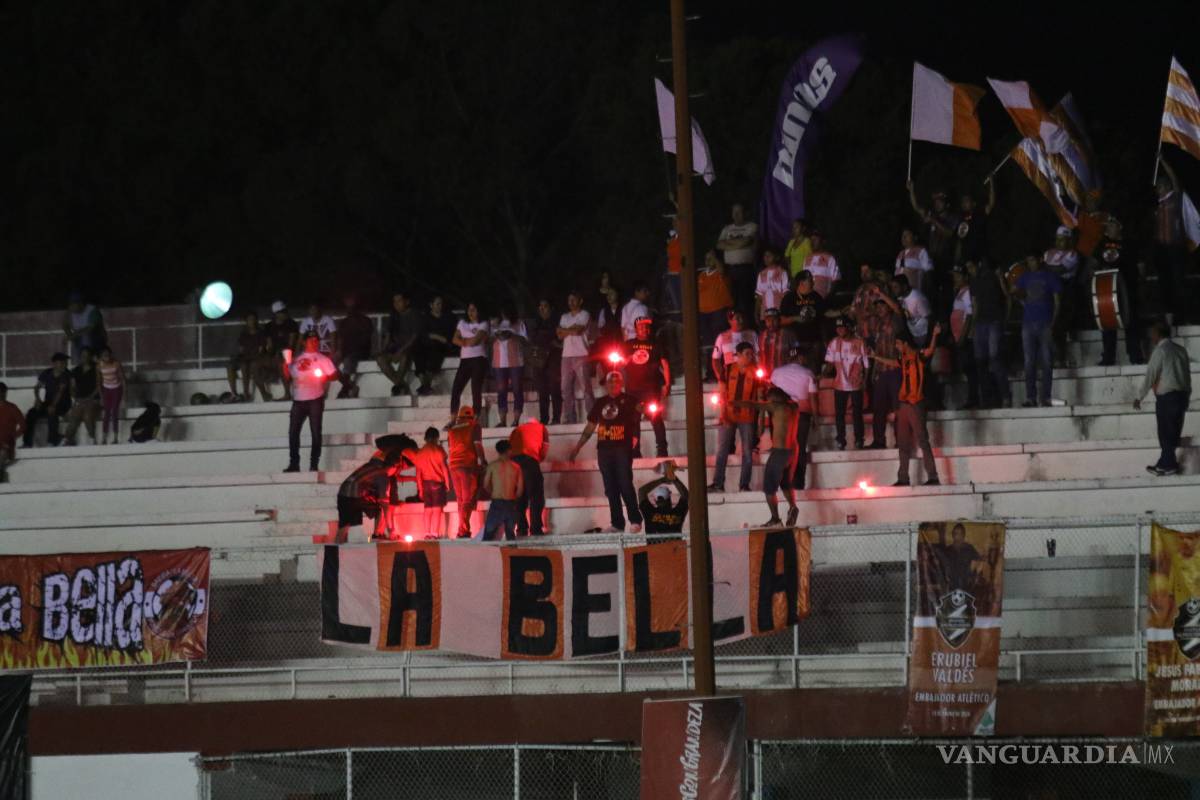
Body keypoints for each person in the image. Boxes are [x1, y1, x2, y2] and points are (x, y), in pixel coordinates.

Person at [569, 371, 644, 533]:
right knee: (610, 488)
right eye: (610, 382)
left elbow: (640, 416)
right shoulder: (600, 403)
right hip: (604, 450)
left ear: (622, 383)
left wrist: (637, 436)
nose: (613, 385)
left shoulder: (630, 400)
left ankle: (635, 519)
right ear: (606, 385)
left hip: (622, 449)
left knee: (625, 483)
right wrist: (577, 447)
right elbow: (590, 427)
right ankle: (617, 523)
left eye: (617, 382)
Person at [872, 325, 943, 487]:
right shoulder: (903, 359)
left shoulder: (918, 356)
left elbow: (931, 350)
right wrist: (876, 357)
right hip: (903, 405)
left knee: (922, 441)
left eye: (897, 343)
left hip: (915, 403)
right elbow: (892, 362)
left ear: (904, 343)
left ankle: (933, 476)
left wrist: (934, 334)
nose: (896, 346)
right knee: (903, 443)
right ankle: (903, 478)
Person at [1134, 320, 1192, 476]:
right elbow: (1187, 375)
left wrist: (1139, 396)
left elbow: (1151, 374)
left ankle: (1168, 465)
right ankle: (1164, 463)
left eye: (1152, 333)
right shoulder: (1181, 350)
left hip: (1167, 397)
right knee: (1173, 431)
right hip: (1181, 395)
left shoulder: (1160, 351)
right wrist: (1187, 395)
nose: (1151, 335)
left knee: (1165, 433)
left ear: (1157, 334)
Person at [739, 388, 800, 528]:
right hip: (793, 451)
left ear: (775, 398)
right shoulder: (794, 407)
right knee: (786, 483)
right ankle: (793, 507)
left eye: (770, 398)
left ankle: (775, 518)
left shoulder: (776, 406)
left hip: (780, 452)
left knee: (769, 489)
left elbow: (753, 405)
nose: (769, 401)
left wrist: (731, 402)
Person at [282, 332, 338, 472]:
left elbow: (334, 374)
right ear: (304, 342)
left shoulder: (322, 359)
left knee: (315, 433)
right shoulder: (297, 359)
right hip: (298, 400)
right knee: (293, 433)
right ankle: (294, 463)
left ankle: (314, 464)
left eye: (316, 340)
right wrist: (286, 363)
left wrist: (324, 377)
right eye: (311, 340)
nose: (314, 342)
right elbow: (288, 375)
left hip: (315, 399)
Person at [709, 342, 761, 492]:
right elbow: (723, 393)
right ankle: (718, 483)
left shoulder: (756, 372)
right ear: (737, 355)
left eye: (751, 354)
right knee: (722, 450)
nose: (750, 357)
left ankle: (744, 485)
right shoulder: (728, 369)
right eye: (747, 354)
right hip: (729, 415)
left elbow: (759, 397)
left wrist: (759, 420)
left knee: (747, 453)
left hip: (747, 417)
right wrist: (723, 414)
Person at [1013, 253, 1062, 407]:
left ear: (1040, 260)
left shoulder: (1050, 277)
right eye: (1028, 261)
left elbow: (1057, 301)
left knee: (1047, 361)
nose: (1031, 263)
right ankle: (1031, 397)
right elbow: (1013, 291)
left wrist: (1053, 322)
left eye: (1032, 260)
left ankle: (1046, 396)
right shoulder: (1025, 277)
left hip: (1044, 322)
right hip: (1028, 323)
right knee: (1029, 362)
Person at [1095, 217, 1145, 367]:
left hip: (1128, 288)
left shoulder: (1131, 243)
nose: (1108, 228)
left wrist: (1141, 283)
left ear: (1119, 226)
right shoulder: (1101, 244)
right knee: (1108, 322)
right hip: (1108, 290)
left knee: (1131, 322)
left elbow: (1141, 266)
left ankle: (1135, 356)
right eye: (1107, 226)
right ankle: (1108, 357)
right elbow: (1093, 263)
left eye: (1111, 225)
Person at [331, 446, 407, 543]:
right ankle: (378, 534)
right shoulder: (383, 475)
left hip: (344, 492)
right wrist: (391, 530)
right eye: (397, 469)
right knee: (380, 508)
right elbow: (385, 505)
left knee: (345, 526)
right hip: (354, 495)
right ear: (393, 466)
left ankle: (338, 548)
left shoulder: (375, 465)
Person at [769, 349, 819, 491]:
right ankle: (798, 483)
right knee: (799, 449)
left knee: (780, 449)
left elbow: (770, 394)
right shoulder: (808, 373)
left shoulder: (776, 373)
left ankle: (780, 482)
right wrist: (816, 417)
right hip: (801, 414)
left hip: (780, 415)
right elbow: (813, 398)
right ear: (800, 357)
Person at [622, 317, 670, 458]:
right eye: (641, 326)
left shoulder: (656, 344)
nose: (645, 329)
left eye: (647, 326)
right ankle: (635, 450)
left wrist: (667, 384)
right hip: (633, 388)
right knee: (634, 420)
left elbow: (665, 364)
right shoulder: (629, 344)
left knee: (655, 417)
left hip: (652, 388)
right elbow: (621, 363)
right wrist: (629, 358)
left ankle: (662, 450)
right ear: (636, 328)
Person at [967, 260, 1012, 408]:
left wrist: (1005, 319)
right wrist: (973, 327)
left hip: (994, 321)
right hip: (980, 323)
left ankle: (1005, 395)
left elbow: (1007, 296)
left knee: (994, 358)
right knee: (980, 362)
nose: (971, 270)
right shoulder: (973, 281)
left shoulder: (993, 277)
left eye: (972, 266)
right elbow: (975, 305)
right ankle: (987, 398)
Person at [1152, 156, 1191, 325]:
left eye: (1160, 186)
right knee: (1164, 284)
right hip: (1161, 250)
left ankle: (1183, 316)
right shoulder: (1157, 205)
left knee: (1178, 282)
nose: (1157, 190)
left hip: (1175, 247)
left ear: (1165, 187)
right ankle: (1168, 317)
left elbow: (1176, 181)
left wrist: (1164, 162)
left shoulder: (1175, 198)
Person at [864, 292, 905, 449]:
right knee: (878, 409)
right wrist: (874, 372)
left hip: (895, 370)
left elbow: (897, 309)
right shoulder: (878, 325)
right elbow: (876, 352)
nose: (880, 309)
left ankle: (900, 441)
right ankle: (879, 440)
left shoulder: (896, 321)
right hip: (881, 371)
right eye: (878, 306)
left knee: (897, 409)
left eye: (882, 306)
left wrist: (882, 293)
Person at [825, 317, 869, 450]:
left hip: (856, 384)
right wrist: (821, 375)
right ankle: (841, 440)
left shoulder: (860, 342)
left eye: (842, 327)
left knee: (857, 413)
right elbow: (830, 364)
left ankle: (859, 440)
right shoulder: (834, 343)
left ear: (849, 327)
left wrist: (865, 382)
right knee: (839, 413)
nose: (840, 330)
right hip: (840, 384)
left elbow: (866, 364)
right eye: (838, 328)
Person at [447, 405, 486, 538]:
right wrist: (483, 460)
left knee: (460, 499)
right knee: (467, 499)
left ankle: (462, 528)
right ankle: (463, 530)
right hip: (467, 465)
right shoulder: (474, 426)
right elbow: (477, 445)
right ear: (471, 416)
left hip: (453, 466)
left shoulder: (452, 429)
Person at [449, 302, 491, 422]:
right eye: (469, 310)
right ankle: (453, 419)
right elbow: (454, 339)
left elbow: (475, 341)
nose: (471, 313)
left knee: (476, 389)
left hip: (479, 359)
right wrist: (465, 342)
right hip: (465, 360)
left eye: (474, 310)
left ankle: (476, 417)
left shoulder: (483, 323)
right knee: (456, 388)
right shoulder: (462, 323)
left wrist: (464, 341)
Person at [716, 203, 759, 319]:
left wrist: (728, 244)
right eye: (734, 212)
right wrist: (738, 244)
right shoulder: (727, 229)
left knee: (745, 301)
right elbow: (719, 244)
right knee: (731, 301)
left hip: (745, 269)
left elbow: (746, 242)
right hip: (729, 269)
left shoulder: (751, 226)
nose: (736, 215)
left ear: (745, 213)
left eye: (739, 212)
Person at [408, 427, 451, 537]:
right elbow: (444, 468)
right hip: (437, 483)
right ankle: (434, 533)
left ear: (425, 438)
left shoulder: (420, 453)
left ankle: (427, 533)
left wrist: (420, 489)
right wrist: (447, 483)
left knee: (427, 510)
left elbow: (418, 474)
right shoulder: (439, 450)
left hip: (425, 484)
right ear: (437, 437)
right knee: (437, 510)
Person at [1043, 226, 1082, 351]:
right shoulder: (1048, 253)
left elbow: (1060, 270)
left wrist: (1047, 268)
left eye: (1063, 239)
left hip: (1066, 287)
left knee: (1063, 318)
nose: (1059, 242)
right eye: (1058, 239)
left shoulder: (1073, 254)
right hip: (1050, 288)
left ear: (1069, 240)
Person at [377, 291, 422, 398]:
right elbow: (388, 335)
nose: (397, 304)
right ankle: (400, 384)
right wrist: (383, 350)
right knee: (380, 359)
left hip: (409, 348)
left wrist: (401, 351)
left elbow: (414, 337)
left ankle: (398, 386)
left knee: (405, 357)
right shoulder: (393, 316)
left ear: (407, 302)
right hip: (395, 348)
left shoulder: (414, 314)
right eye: (394, 301)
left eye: (399, 301)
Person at [510, 417, 550, 536]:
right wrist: (538, 459)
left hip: (513, 463)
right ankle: (535, 528)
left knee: (519, 497)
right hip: (530, 461)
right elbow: (544, 449)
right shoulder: (541, 428)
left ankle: (521, 528)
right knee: (536, 496)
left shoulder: (516, 429)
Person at [558, 291, 593, 424]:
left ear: (580, 301)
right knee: (565, 388)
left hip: (581, 354)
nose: (571, 302)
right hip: (566, 355)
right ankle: (570, 418)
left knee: (586, 388)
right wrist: (570, 330)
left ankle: (592, 417)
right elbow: (559, 335)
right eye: (569, 300)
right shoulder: (564, 316)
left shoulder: (585, 314)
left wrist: (565, 330)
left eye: (573, 300)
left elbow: (578, 331)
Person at [907, 182, 959, 271]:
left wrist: (933, 221)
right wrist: (911, 190)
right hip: (931, 258)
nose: (937, 204)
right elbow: (916, 207)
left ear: (947, 204)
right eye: (935, 202)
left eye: (940, 202)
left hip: (947, 259)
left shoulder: (952, 218)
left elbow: (950, 233)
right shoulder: (932, 215)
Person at [698, 251, 735, 374]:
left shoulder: (721, 273)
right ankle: (710, 371)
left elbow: (722, 270)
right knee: (709, 344)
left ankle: (723, 369)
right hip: (704, 313)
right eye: (706, 258)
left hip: (719, 311)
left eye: (711, 258)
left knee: (719, 342)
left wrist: (716, 260)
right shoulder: (702, 275)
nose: (708, 261)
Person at [948, 267, 980, 409]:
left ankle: (974, 399)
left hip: (965, 337)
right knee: (967, 369)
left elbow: (969, 315)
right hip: (959, 336)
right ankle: (972, 398)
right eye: (954, 276)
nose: (955, 278)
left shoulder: (967, 292)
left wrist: (963, 336)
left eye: (958, 276)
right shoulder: (959, 292)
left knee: (971, 369)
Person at [491, 307, 528, 428]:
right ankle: (502, 421)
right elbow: (487, 340)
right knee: (501, 392)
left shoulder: (519, 323)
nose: (504, 312)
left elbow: (525, 341)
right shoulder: (495, 323)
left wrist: (512, 335)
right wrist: (497, 334)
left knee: (517, 390)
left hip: (516, 362)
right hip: (499, 362)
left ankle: (516, 420)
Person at [414, 295, 458, 396]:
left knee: (435, 352)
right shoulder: (425, 318)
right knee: (417, 350)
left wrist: (439, 338)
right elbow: (423, 334)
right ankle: (425, 384)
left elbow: (449, 336)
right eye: (437, 304)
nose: (440, 306)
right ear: (431, 305)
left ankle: (425, 386)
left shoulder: (448, 317)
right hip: (427, 345)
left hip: (442, 346)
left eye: (441, 304)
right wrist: (435, 336)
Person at [480, 440, 524, 542]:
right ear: (509, 450)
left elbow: (485, 485)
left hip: (497, 502)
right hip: (510, 502)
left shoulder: (492, 466)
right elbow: (520, 491)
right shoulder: (516, 467)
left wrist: (493, 493)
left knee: (488, 535)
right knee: (510, 535)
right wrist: (514, 498)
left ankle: (485, 556)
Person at [528, 299, 563, 425]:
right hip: (539, 359)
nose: (542, 309)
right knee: (542, 390)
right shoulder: (535, 323)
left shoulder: (557, 322)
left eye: (545, 306)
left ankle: (556, 417)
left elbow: (559, 339)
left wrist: (551, 341)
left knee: (555, 388)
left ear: (550, 308)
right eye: (540, 306)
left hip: (554, 358)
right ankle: (544, 419)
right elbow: (532, 338)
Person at [335, 295, 374, 399]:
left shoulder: (365, 321)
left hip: (360, 352)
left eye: (352, 306)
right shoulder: (344, 322)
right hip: (346, 352)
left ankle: (344, 390)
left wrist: (352, 350)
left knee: (348, 361)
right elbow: (340, 339)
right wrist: (338, 351)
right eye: (347, 307)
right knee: (329, 364)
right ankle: (350, 386)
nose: (350, 309)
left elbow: (366, 340)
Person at [227, 312, 272, 402]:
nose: (252, 321)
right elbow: (241, 349)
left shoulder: (261, 333)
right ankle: (234, 393)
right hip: (245, 357)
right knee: (230, 366)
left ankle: (246, 393)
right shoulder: (244, 334)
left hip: (255, 358)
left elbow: (261, 350)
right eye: (249, 320)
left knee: (245, 366)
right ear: (246, 321)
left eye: (253, 319)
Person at [779, 271, 826, 356]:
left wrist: (840, 312)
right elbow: (781, 320)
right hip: (795, 342)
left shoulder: (816, 296)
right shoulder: (789, 298)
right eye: (810, 281)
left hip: (814, 341)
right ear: (801, 283)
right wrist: (796, 318)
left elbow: (824, 313)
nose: (813, 283)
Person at [638, 460, 689, 535]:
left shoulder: (649, 512)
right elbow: (685, 495)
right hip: (674, 546)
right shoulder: (677, 512)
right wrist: (673, 479)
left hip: (654, 547)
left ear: (655, 500)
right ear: (669, 498)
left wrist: (662, 480)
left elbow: (641, 491)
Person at [63, 348, 100, 446]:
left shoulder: (95, 368)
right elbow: (72, 387)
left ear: (90, 357)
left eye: (87, 355)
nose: (85, 357)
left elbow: (98, 386)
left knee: (87, 416)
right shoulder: (75, 370)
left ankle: (92, 439)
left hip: (93, 399)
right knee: (74, 418)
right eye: (83, 355)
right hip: (80, 400)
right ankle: (67, 440)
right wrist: (75, 396)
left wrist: (89, 398)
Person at [954, 180, 996, 267]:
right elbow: (960, 239)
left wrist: (991, 183)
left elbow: (991, 203)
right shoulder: (961, 219)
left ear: (973, 203)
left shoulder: (979, 214)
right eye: (963, 202)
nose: (964, 204)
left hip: (980, 256)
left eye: (966, 201)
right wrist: (957, 256)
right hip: (967, 259)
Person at [264, 301, 299, 401]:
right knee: (258, 363)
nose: (284, 313)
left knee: (282, 363)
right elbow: (269, 345)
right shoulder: (269, 326)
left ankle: (287, 394)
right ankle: (265, 395)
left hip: (289, 353)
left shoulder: (291, 324)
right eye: (282, 312)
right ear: (275, 314)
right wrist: (270, 353)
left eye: (285, 311)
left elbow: (291, 345)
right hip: (275, 353)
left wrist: (280, 352)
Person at [711, 310, 758, 383]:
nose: (741, 321)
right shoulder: (721, 337)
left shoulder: (752, 334)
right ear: (730, 321)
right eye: (738, 318)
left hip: (750, 377)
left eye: (742, 318)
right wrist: (721, 377)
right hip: (730, 378)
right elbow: (715, 360)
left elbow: (758, 355)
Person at [96, 347, 126, 445]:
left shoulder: (116, 363)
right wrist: (101, 396)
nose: (107, 357)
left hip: (116, 389)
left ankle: (116, 438)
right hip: (106, 389)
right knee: (106, 414)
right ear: (102, 357)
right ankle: (104, 438)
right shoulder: (99, 365)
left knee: (115, 412)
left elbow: (122, 378)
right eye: (104, 356)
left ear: (111, 355)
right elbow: (98, 381)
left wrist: (124, 394)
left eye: (108, 355)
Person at [62, 292, 106, 357]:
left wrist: (73, 336)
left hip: (96, 340)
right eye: (70, 304)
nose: (71, 307)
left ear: (81, 303)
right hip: (79, 341)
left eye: (73, 304)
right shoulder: (69, 312)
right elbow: (65, 325)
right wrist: (69, 334)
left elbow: (90, 328)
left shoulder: (92, 310)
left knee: (87, 339)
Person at [755, 248, 791, 323]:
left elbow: (786, 294)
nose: (766, 258)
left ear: (777, 257)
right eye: (765, 255)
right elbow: (759, 297)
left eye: (769, 256)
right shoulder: (761, 274)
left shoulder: (782, 272)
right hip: (765, 314)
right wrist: (756, 313)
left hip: (779, 313)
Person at [803, 231, 841, 300]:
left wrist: (827, 298)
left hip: (823, 301)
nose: (812, 242)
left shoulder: (830, 258)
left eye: (815, 240)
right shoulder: (807, 258)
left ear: (822, 241)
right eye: (811, 240)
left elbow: (835, 281)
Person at [894, 229, 934, 294]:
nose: (903, 238)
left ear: (915, 237)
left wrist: (928, 292)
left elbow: (929, 272)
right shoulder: (900, 254)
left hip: (915, 293)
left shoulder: (921, 251)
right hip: (900, 295)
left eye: (907, 235)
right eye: (903, 236)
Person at [757, 308, 795, 375]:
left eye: (774, 320)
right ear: (765, 321)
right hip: (765, 375)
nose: (771, 323)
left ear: (779, 320)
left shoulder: (788, 334)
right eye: (768, 320)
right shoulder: (761, 336)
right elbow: (759, 355)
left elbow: (795, 355)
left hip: (784, 375)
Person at [0, 383, 25, 483]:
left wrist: (12, 437)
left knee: (1, 455)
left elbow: (23, 426)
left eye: (3, 393)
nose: (1, 395)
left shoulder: (12, 408)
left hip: (7, 446)